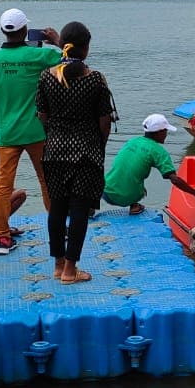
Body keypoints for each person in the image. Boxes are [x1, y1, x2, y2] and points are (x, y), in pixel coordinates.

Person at [35, 21, 115, 283]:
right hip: (85, 152)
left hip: (54, 150)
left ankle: (58, 265)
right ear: (86, 48)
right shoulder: (94, 79)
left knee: (57, 207)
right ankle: (71, 269)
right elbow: (105, 121)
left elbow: (42, 115)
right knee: (79, 209)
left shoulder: (47, 77)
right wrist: (98, 147)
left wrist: (56, 134)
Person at [0, 7, 61, 255]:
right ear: (26, 30)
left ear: (2, 31)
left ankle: (2, 238)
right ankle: (56, 228)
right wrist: (57, 41)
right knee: (47, 182)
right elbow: (71, 62)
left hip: (7, 133)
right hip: (36, 131)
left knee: (4, 186)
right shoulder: (40, 56)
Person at [103, 113, 195, 215]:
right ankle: (134, 205)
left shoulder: (132, 141)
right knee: (141, 190)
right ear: (160, 132)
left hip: (104, 190)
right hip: (124, 198)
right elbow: (174, 179)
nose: (166, 134)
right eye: (166, 131)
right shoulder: (158, 151)